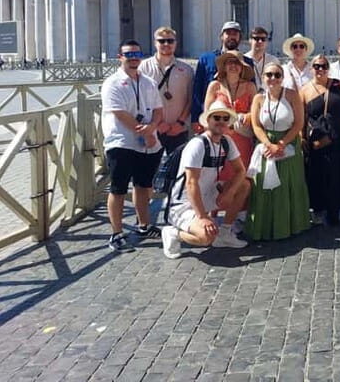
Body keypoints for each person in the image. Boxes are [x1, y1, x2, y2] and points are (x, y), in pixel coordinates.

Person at [161, 100, 250, 258]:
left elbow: (240, 170)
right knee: (205, 237)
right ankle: (173, 233)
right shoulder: (197, 144)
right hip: (184, 204)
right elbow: (191, 183)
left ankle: (225, 233)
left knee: (244, 185)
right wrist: (202, 217)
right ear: (207, 121)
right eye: (216, 118)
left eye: (225, 119)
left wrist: (229, 193)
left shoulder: (226, 142)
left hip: (207, 194)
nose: (221, 122)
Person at [101, 40, 163, 252]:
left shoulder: (148, 82)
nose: (134, 57)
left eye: (137, 53)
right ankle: (116, 233)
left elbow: (158, 110)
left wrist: (152, 128)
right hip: (121, 142)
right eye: (129, 54)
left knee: (143, 185)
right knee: (118, 188)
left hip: (148, 142)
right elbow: (119, 113)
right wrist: (145, 132)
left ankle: (143, 225)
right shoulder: (112, 83)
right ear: (120, 57)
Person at [246, 62, 310, 240]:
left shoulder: (291, 95)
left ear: (282, 78)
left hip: (288, 143)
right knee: (264, 186)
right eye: (269, 75)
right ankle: (265, 227)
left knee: (288, 184)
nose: (272, 78)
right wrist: (268, 144)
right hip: (267, 145)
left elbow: (298, 123)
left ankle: (290, 224)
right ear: (263, 77)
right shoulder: (259, 98)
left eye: (277, 75)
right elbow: (256, 125)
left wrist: (281, 143)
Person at [300, 54, 340, 226]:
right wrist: (302, 137)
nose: (320, 69)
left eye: (323, 66)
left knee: (337, 174)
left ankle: (335, 211)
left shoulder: (339, 85)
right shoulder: (305, 90)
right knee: (317, 174)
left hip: (338, 138)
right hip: (317, 140)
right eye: (316, 66)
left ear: (328, 68)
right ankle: (318, 209)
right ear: (311, 68)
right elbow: (302, 117)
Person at [203, 51, 257, 183]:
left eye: (237, 63)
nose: (233, 66)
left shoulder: (250, 86)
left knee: (241, 179)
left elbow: (256, 112)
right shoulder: (214, 86)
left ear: (242, 67)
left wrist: (246, 116)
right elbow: (206, 115)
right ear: (224, 66)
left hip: (242, 140)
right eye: (230, 62)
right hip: (220, 141)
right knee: (218, 180)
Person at [139, 27, 193, 155]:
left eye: (170, 41)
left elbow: (190, 99)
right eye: (162, 41)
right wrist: (157, 124)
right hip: (153, 128)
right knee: (150, 169)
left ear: (175, 43)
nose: (166, 44)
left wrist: (180, 123)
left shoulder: (186, 69)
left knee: (177, 170)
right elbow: (140, 98)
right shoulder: (143, 67)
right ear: (155, 43)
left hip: (179, 128)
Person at [191, 21, 254, 130]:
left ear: (240, 37)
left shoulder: (247, 61)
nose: (231, 37)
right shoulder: (206, 59)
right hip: (211, 119)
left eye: (235, 34)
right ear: (221, 36)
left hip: (240, 127)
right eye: (228, 33)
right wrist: (196, 119)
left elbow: (252, 93)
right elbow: (197, 90)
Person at [244, 26, 279, 92]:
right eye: (256, 39)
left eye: (263, 39)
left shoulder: (273, 60)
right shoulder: (244, 60)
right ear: (250, 40)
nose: (260, 42)